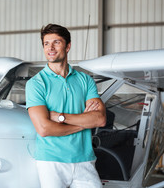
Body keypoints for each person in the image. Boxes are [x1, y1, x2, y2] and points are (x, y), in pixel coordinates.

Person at [25, 24, 106, 188]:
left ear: (68, 46)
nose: (51, 48)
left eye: (56, 42)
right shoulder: (36, 84)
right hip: (51, 161)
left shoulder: (85, 80)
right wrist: (83, 124)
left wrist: (60, 117)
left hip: (84, 159)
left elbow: (100, 119)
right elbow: (44, 129)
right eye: (46, 43)